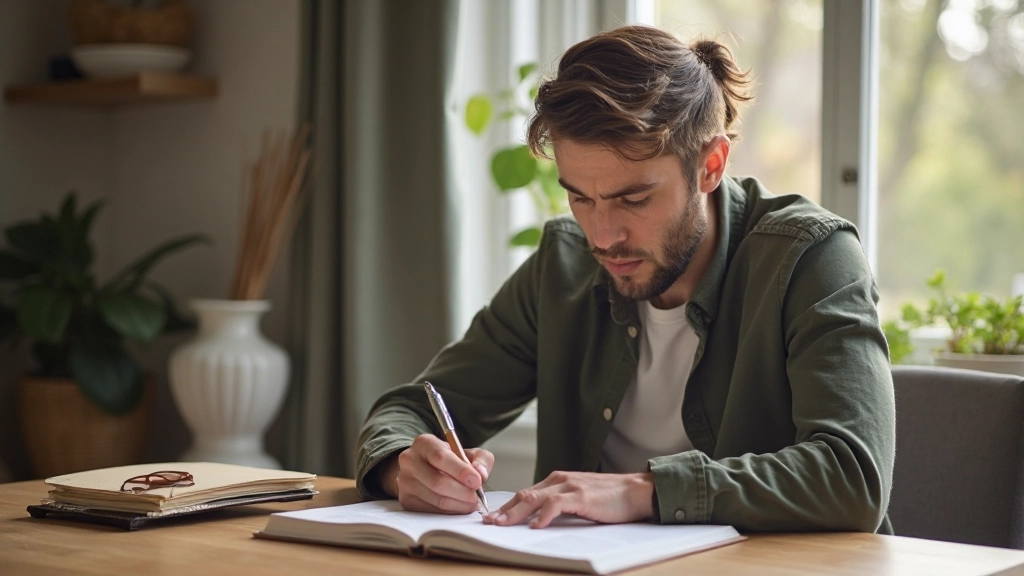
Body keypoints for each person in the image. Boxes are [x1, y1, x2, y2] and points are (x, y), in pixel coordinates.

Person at [355, 24, 895, 533]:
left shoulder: (810, 257)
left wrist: (642, 491)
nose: (603, 235)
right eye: (580, 198)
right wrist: (405, 468)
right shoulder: (563, 267)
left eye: (633, 199)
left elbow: (852, 476)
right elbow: (409, 409)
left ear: (710, 166)